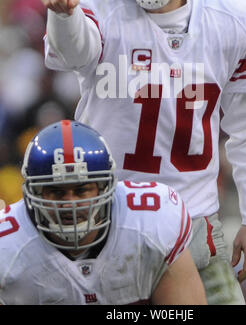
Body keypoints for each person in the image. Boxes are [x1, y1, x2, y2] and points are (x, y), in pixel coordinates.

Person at [40, 0, 246, 304]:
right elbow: (75, 51)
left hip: (195, 229)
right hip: (112, 230)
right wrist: (64, 16)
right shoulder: (98, 5)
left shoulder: (231, 17)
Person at [0, 119, 206, 305]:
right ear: (34, 192)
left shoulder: (150, 222)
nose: (70, 203)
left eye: (81, 190)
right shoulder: (7, 245)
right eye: (56, 191)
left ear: (104, 187)